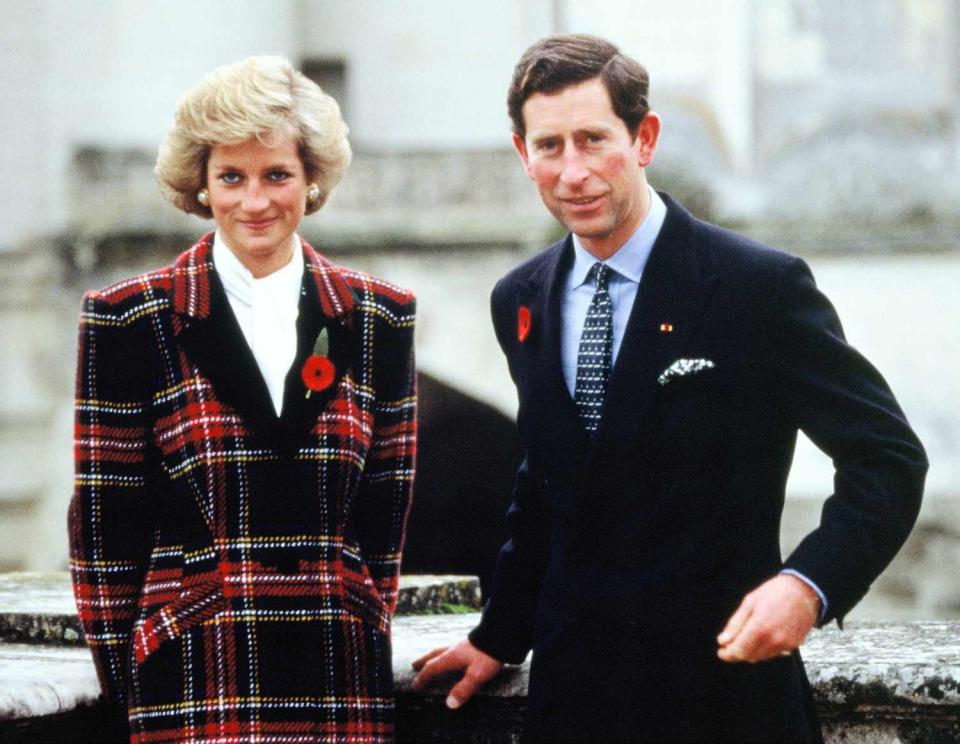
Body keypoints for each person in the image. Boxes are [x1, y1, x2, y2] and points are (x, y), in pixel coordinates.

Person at [412, 34, 927, 742]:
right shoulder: (520, 299)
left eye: (594, 140)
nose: (573, 172)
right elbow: (545, 489)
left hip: (724, 701)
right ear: (521, 153)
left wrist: (807, 586)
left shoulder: (757, 287)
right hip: (574, 707)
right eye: (550, 146)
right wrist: (499, 636)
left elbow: (887, 461)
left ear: (644, 137)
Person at [68, 56, 416, 743]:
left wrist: (362, 620)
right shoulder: (129, 317)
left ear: (310, 177)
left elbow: (385, 513)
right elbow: (107, 531)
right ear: (201, 183)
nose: (254, 201)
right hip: (195, 684)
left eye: (276, 175)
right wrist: (133, 679)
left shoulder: (380, 316)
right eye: (232, 177)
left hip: (339, 679)